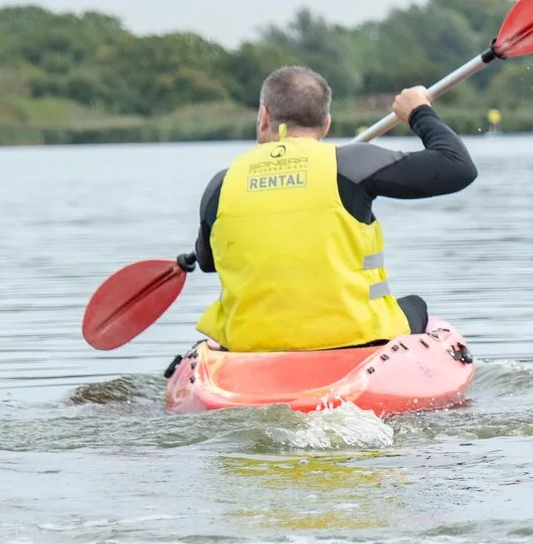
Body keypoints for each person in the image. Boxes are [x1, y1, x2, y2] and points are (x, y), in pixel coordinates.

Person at [189, 65, 476, 352]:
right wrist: (418, 112)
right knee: (417, 308)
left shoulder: (222, 184)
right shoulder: (351, 165)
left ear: (264, 116)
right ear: (326, 124)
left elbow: (207, 262)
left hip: (249, 346)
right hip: (352, 340)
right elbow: (458, 167)